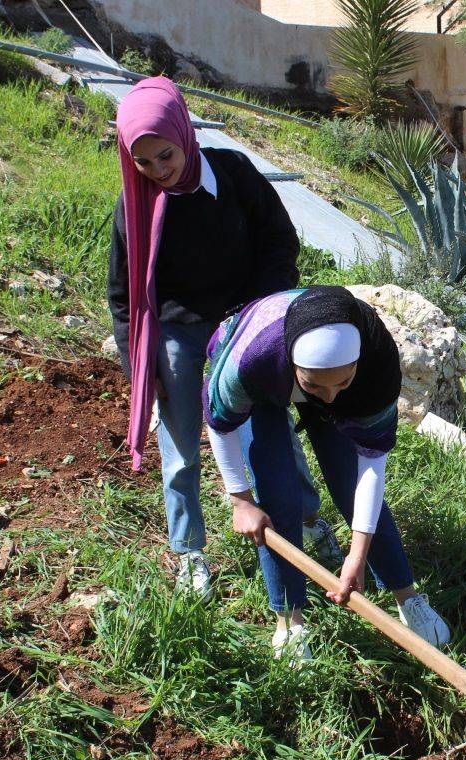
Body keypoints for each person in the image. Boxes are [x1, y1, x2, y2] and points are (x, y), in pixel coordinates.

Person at [107, 77, 338, 600]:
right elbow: (123, 296)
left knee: (265, 429)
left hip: (244, 321)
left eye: (165, 155)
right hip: (178, 331)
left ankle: (305, 519)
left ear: (184, 134)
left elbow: (279, 239)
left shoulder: (233, 174)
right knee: (182, 444)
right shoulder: (135, 206)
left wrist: (260, 313)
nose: (158, 170)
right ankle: (189, 551)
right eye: (144, 163)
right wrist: (138, 365)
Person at [203, 285, 451, 661]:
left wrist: (357, 552)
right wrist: (240, 499)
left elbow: (371, 467)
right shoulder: (254, 359)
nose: (330, 397)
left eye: (341, 383)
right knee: (277, 492)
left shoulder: (377, 366)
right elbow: (220, 422)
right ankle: (290, 620)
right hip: (269, 385)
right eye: (316, 385)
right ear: (293, 365)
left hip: (332, 378)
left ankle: (407, 595)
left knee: (348, 480)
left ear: (357, 366)